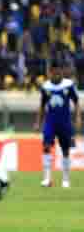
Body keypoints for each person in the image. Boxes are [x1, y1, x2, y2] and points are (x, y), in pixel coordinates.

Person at [33, 57, 81, 188]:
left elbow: (76, 102)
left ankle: (65, 179)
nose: (57, 74)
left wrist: (78, 117)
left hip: (64, 122)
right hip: (50, 122)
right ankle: (47, 179)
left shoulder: (68, 85)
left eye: (59, 71)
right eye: (54, 72)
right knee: (46, 146)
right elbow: (42, 105)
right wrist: (38, 122)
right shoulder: (46, 87)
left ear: (62, 71)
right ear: (50, 72)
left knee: (65, 150)